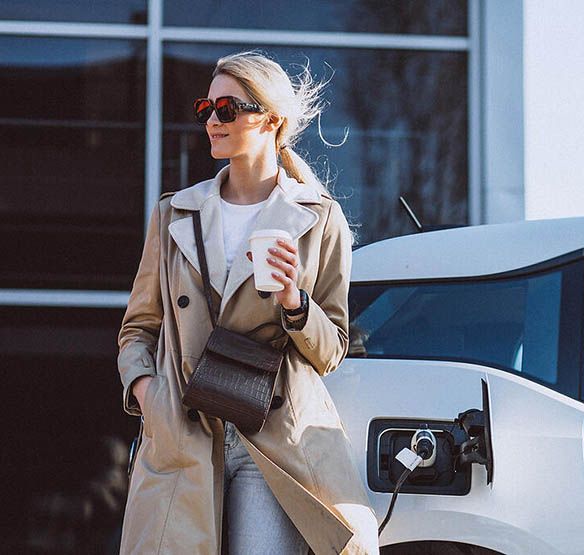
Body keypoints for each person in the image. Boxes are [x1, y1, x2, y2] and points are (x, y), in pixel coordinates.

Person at [117, 49, 379, 554]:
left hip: (274, 442)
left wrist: (294, 301)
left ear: (271, 120)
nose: (212, 121)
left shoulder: (318, 218)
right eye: (206, 108)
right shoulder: (174, 213)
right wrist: (151, 397)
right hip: (186, 434)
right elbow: (138, 329)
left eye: (228, 109)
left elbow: (332, 350)